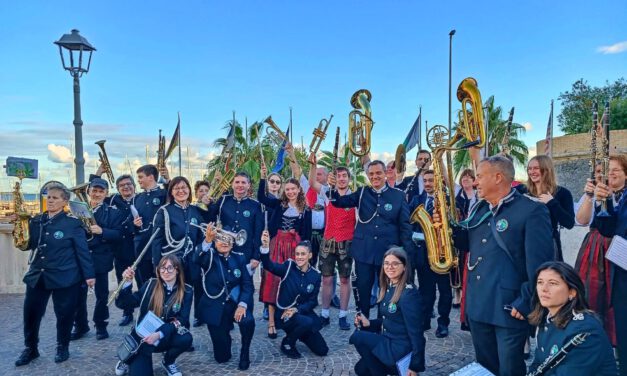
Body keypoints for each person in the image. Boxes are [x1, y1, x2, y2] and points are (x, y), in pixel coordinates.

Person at [447, 156, 554, 376]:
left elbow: (541, 265)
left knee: (510, 369)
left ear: (498, 177)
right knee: (485, 368)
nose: (476, 182)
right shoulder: (479, 208)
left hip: (509, 306)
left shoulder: (531, 211)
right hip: (479, 304)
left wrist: (525, 301)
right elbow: (468, 243)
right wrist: (448, 229)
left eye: (479, 176)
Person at [14, 182, 95, 366]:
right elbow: (28, 244)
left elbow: (82, 252)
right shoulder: (37, 220)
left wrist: (89, 276)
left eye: (55, 198)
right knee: (31, 313)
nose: (50, 200)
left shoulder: (73, 224)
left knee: (64, 314)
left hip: (65, 276)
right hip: (38, 275)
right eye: (48, 197)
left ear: (64, 201)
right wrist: (20, 225)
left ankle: (62, 346)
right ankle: (30, 348)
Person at [329, 160, 413, 319]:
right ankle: (364, 320)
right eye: (371, 174)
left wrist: (407, 254)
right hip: (364, 251)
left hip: (388, 252)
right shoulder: (362, 193)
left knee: (387, 289)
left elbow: (405, 227)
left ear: (385, 174)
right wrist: (332, 187)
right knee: (363, 288)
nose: (375, 176)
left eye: (378, 173)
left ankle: (385, 321)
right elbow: (339, 202)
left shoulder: (398, 195)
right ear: (368, 175)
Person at [527, 261, 617, 375]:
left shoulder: (585, 330)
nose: (544, 289)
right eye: (540, 282)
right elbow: (537, 364)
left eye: (553, 283)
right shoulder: (546, 320)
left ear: (572, 292)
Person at [349, 247, 426, 376]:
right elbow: (390, 320)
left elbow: (417, 334)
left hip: (399, 349)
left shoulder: (409, 295)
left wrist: (414, 366)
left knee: (358, 337)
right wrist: (369, 324)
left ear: (405, 267)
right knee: (361, 370)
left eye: (395, 263)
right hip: (388, 343)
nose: (390, 267)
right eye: (386, 263)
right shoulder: (388, 287)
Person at [115, 255, 193, 376]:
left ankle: (168, 362)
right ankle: (127, 358)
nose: (165, 271)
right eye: (162, 267)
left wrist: (159, 334)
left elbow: (182, 319)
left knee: (186, 338)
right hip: (143, 337)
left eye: (170, 268)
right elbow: (125, 303)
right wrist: (127, 284)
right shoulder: (150, 284)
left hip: (164, 336)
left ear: (177, 270)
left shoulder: (187, 290)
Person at [258, 170, 312, 339]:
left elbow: (307, 234)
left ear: (299, 190)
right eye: (287, 189)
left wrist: (306, 254)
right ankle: (271, 322)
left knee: (292, 283)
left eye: (293, 189)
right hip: (276, 246)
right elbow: (261, 197)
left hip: (295, 249)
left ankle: (291, 317)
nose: (290, 192)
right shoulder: (279, 204)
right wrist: (262, 178)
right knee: (273, 282)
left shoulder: (306, 209)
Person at [194, 223, 255, 370]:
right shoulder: (208, 256)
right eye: (220, 239)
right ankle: (225, 334)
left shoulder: (240, 258)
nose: (225, 242)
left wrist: (242, 305)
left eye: (229, 239)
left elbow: (248, 285)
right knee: (222, 358)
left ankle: (245, 351)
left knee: (248, 321)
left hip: (235, 304)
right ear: (215, 241)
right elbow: (196, 259)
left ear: (233, 243)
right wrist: (207, 241)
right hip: (215, 308)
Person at [260, 232, 328, 359]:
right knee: (307, 322)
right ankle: (288, 342)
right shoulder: (288, 267)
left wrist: (297, 310)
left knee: (322, 350)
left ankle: (299, 333)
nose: (299, 257)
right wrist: (265, 247)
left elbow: (313, 302)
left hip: (301, 314)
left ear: (310, 255)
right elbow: (269, 265)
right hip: (284, 314)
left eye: (303, 254)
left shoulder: (315, 275)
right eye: (297, 254)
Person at [574, 161, 621, 345]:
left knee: (615, 295)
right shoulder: (593, 193)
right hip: (594, 247)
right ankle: (593, 340)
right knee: (591, 294)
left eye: (613, 171)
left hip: (618, 246)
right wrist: (588, 195)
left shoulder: (623, 195)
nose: (606, 175)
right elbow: (581, 219)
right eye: (601, 171)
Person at [71, 178, 123, 341]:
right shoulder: (77, 210)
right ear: (88, 192)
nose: (97, 194)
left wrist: (102, 231)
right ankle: (80, 325)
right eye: (94, 190)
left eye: (101, 191)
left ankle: (101, 325)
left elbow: (118, 234)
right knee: (79, 294)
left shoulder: (113, 212)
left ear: (106, 194)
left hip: (101, 258)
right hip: (81, 257)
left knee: (101, 295)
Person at [308, 153, 356, 330]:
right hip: (328, 241)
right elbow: (313, 183)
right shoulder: (328, 193)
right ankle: (325, 313)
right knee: (326, 279)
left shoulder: (355, 196)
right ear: (334, 178)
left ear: (349, 179)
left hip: (347, 243)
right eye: (339, 176)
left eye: (345, 176)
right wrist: (313, 166)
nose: (342, 179)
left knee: (344, 280)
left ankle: (343, 315)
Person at [91, 167, 138, 327]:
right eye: (122, 185)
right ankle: (127, 312)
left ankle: (148, 311)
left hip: (141, 247)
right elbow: (94, 192)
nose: (126, 187)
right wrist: (99, 172)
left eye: (129, 184)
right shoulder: (112, 200)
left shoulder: (141, 199)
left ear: (134, 186)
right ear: (118, 189)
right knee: (124, 283)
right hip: (122, 248)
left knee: (145, 282)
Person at [409, 170, 452, 338]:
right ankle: (425, 320)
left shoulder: (446, 201)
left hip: (442, 254)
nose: (427, 184)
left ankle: (443, 323)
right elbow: (409, 224)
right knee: (425, 291)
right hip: (423, 254)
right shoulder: (416, 200)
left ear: (438, 182)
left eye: (431, 181)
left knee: (445, 291)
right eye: (425, 181)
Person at [594, 154, 627, 376]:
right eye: (608, 170)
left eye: (615, 170)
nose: (610, 174)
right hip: (621, 272)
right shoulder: (615, 197)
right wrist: (601, 202)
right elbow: (606, 230)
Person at [517, 155, 575, 261]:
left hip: (548, 242)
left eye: (536, 168)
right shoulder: (521, 190)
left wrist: (552, 203)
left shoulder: (562, 193)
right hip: (523, 242)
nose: (532, 172)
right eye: (529, 169)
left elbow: (569, 223)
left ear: (546, 170)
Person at [151, 177, 206, 286]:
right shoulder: (164, 212)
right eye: (176, 188)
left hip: (194, 263)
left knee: (195, 294)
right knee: (175, 298)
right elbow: (156, 241)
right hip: (173, 264)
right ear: (171, 192)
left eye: (184, 187)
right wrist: (158, 266)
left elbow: (201, 237)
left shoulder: (195, 210)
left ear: (189, 190)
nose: (181, 191)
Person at [207, 171, 263, 272]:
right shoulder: (223, 200)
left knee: (245, 284)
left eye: (243, 182)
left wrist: (256, 256)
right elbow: (210, 218)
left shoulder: (256, 205)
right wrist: (207, 204)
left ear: (248, 185)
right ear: (232, 184)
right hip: (224, 250)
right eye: (237, 182)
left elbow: (258, 233)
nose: (240, 185)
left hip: (246, 253)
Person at [133, 164, 169, 285]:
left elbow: (174, 198)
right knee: (144, 283)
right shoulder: (137, 198)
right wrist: (135, 224)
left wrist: (168, 180)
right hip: (141, 247)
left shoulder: (164, 194)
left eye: (140, 177)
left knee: (161, 282)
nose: (138, 180)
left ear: (151, 177)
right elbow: (131, 222)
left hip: (159, 247)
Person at [191, 180, 211, 327]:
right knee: (198, 284)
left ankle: (209, 313)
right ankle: (198, 315)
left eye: (206, 190)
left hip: (210, 246)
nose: (204, 193)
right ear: (196, 193)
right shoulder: (193, 208)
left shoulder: (213, 206)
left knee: (210, 283)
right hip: (197, 247)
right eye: (201, 191)